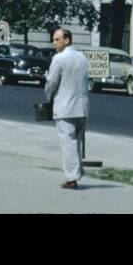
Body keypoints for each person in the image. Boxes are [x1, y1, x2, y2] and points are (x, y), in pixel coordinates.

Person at [44, 28, 90, 189]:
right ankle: (77, 173)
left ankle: (72, 178)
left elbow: (51, 82)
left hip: (64, 107)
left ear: (67, 40)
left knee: (68, 142)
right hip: (82, 107)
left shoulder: (59, 59)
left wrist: (48, 97)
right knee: (76, 142)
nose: (54, 43)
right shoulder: (82, 58)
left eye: (57, 39)